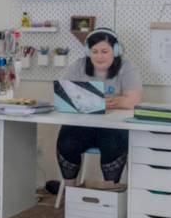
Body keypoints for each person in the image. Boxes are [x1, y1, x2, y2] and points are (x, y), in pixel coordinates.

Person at [57, 27, 143, 187]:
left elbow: (133, 100)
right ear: (88, 52)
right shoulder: (78, 65)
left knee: (113, 143)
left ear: (116, 50)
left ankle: (109, 191)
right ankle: (70, 189)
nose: (99, 56)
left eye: (104, 51)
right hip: (83, 124)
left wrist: (112, 102)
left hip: (113, 126)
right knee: (67, 141)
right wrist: (103, 101)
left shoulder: (127, 68)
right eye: (94, 51)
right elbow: (63, 93)